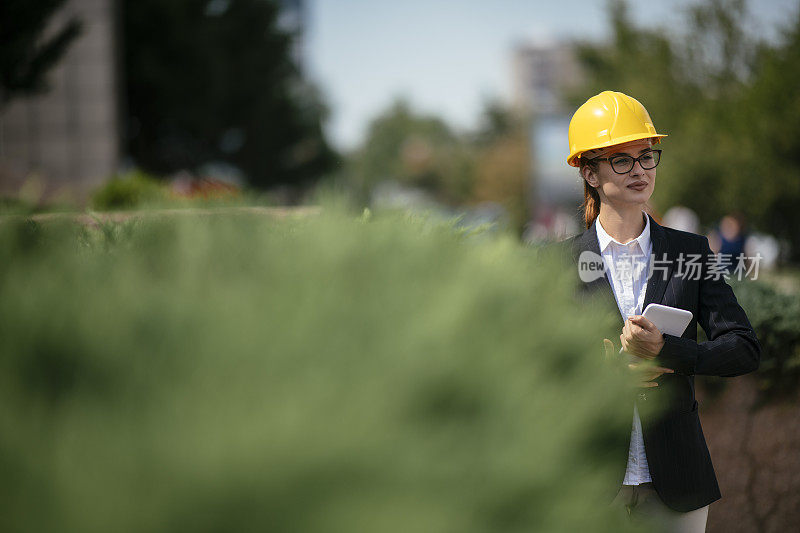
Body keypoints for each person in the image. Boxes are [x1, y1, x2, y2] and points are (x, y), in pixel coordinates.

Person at [562, 91, 761, 532]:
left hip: (679, 483)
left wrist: (668, 351)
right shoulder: (556, 264)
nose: (639, 170)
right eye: (622, 160)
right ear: (590, 172)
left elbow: (744, 348)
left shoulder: (690, 252)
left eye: (647, 156)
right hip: (587, 483)